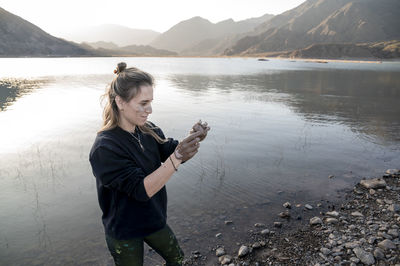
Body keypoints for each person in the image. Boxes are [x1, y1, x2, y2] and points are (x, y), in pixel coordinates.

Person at [89, 62, 210, 266]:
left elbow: (171, 151)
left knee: (177, 259)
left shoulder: (147, 129)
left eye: (150, 102)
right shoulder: (105, 148)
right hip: (124, 231)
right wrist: (178, 156)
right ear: (120, 101)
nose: (150, 110)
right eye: (143, 103)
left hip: (153, 218)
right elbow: (142, 189)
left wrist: (194, 137)